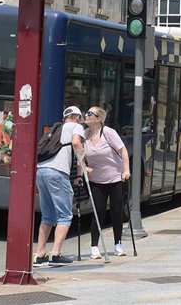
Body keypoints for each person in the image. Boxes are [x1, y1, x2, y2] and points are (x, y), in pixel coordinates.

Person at [33, 106, 85, 267]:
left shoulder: (55, 128)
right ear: (76, 117)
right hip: (57, 172)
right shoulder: (76, 127)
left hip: (41, 171)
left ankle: (40, 254)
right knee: (64, 215)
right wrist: (81, 170)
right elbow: (76, 143)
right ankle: (56, 254)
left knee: (47, 216)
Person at [81, 105, 130, 259]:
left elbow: (123, 150)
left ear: (98, 119)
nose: (86, 115)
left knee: (116, 211)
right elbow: (80, 157)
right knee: (98, 211)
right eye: (86, 113)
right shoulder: (85, 134)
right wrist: (81, 172)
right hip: (97, 179)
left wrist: (126, 170)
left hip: (115, 177)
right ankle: (94, 247)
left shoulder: (108, 132)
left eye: (90, 113)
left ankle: (118, 244)